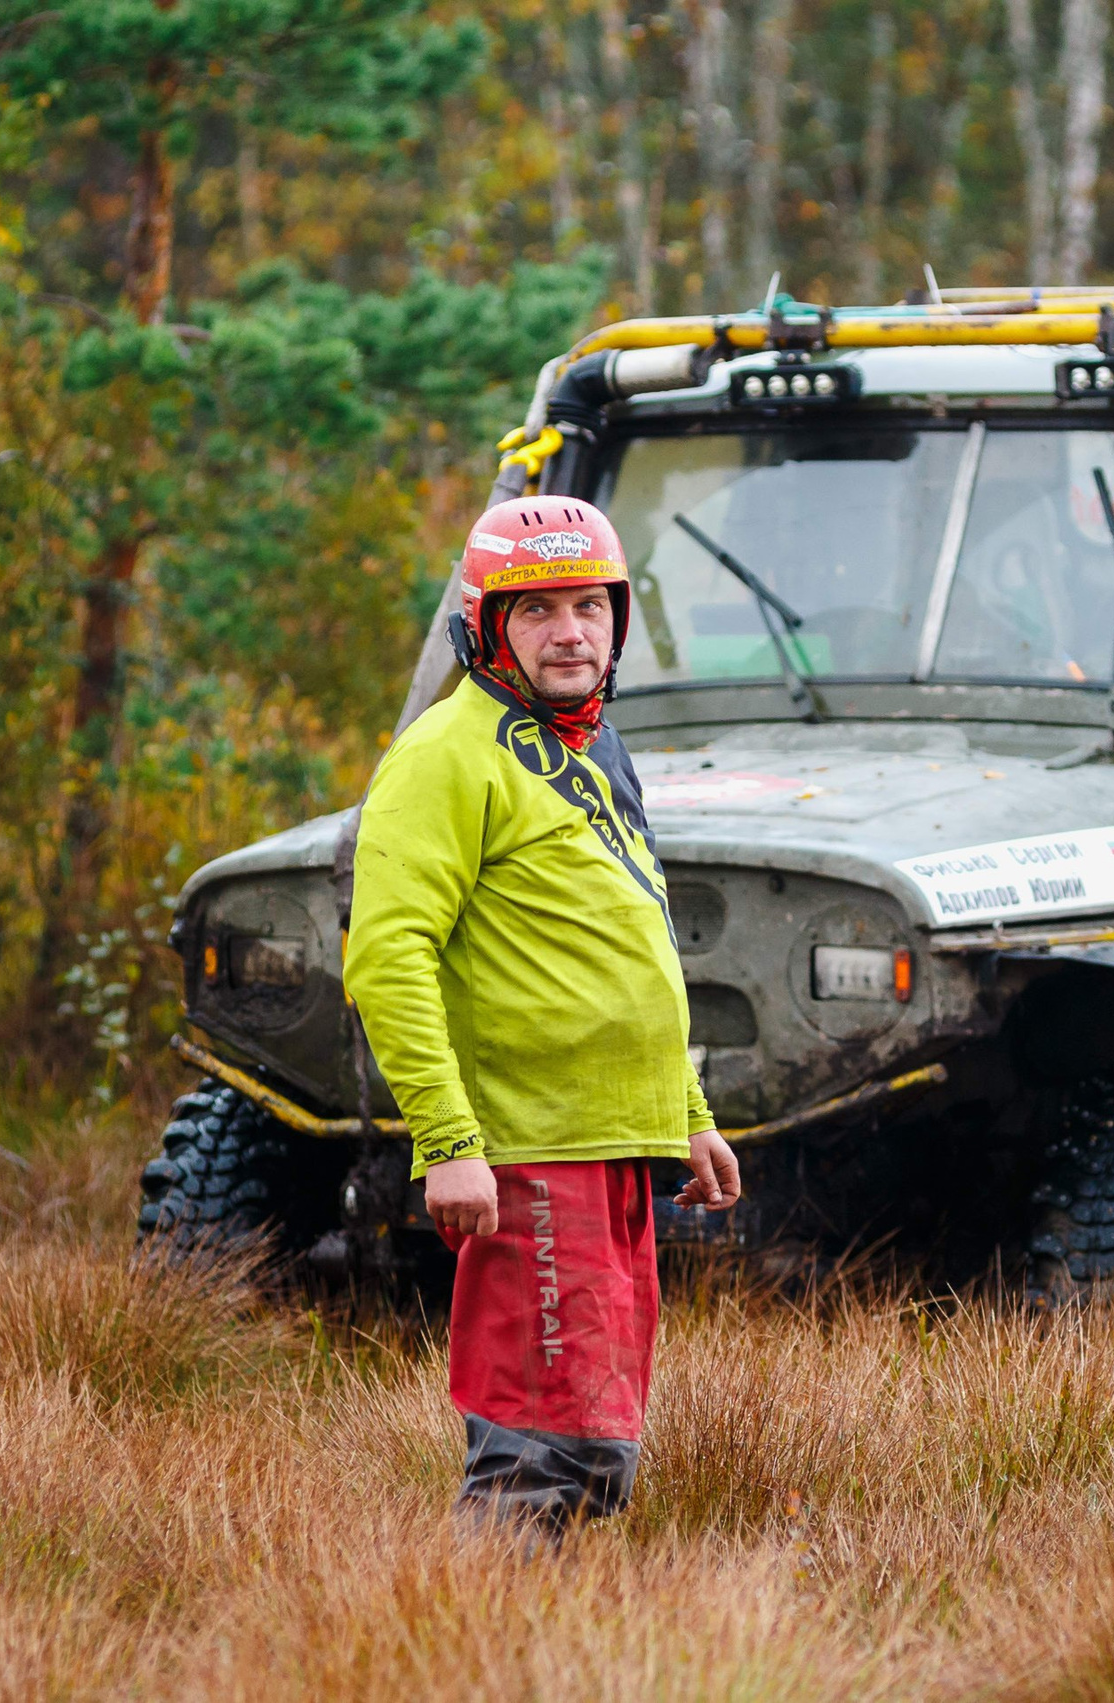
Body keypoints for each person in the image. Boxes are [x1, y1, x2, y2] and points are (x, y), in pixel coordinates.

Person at [344, 493, 740, 1533]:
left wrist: (686, 1110)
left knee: (600, 1444)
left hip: (617, 1144)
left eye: (589, 607)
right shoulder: (444, 755)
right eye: (536, 610)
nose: (570, 631)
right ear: (485, 627)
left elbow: (631, 941)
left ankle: (545, 1645)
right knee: (540, 1450)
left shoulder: (594, 747)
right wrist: (448, 1141)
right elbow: (387, 957)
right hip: (529, 1151)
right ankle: (475, 1649)